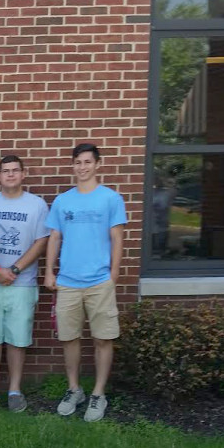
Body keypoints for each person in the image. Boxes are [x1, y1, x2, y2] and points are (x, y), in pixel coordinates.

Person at [45, 143, 127, 422]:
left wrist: (113, 275)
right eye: (78, 162)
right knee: (69, 338)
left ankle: (98, 394)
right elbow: (54, 238)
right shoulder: (63, 201)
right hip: (68, 281)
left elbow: (117, 238)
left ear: (98, 164)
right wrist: (49, 271)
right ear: (73, 166)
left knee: (103, 339)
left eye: (87, 162)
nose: (82, 167)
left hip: (99, 281)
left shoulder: (111, 199)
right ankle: (74, 389)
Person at [0, 155, 50, 413]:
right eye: (5, 171)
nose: (10, 175)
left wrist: (15, 269)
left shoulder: (37, 205)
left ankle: (14, 390)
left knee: (17, 339)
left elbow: (41, 242)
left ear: (23, 174)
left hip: (23, 282)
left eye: (15, 171)